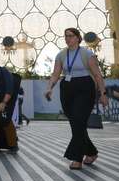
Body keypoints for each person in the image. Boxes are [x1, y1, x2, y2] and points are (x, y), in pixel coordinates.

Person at [44, 28, 109, 170]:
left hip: (85, 88)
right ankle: (91, 153)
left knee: (79, 121)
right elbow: (56, 74)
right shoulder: (61, 55)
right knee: (76, 124)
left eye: (71, 36)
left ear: (78, 38)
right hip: (67, 89)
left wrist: (103, 94)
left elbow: (98, 75)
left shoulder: (87, 54)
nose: (68, 38)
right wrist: (49, 87)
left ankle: (77, 158)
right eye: (65, 36)